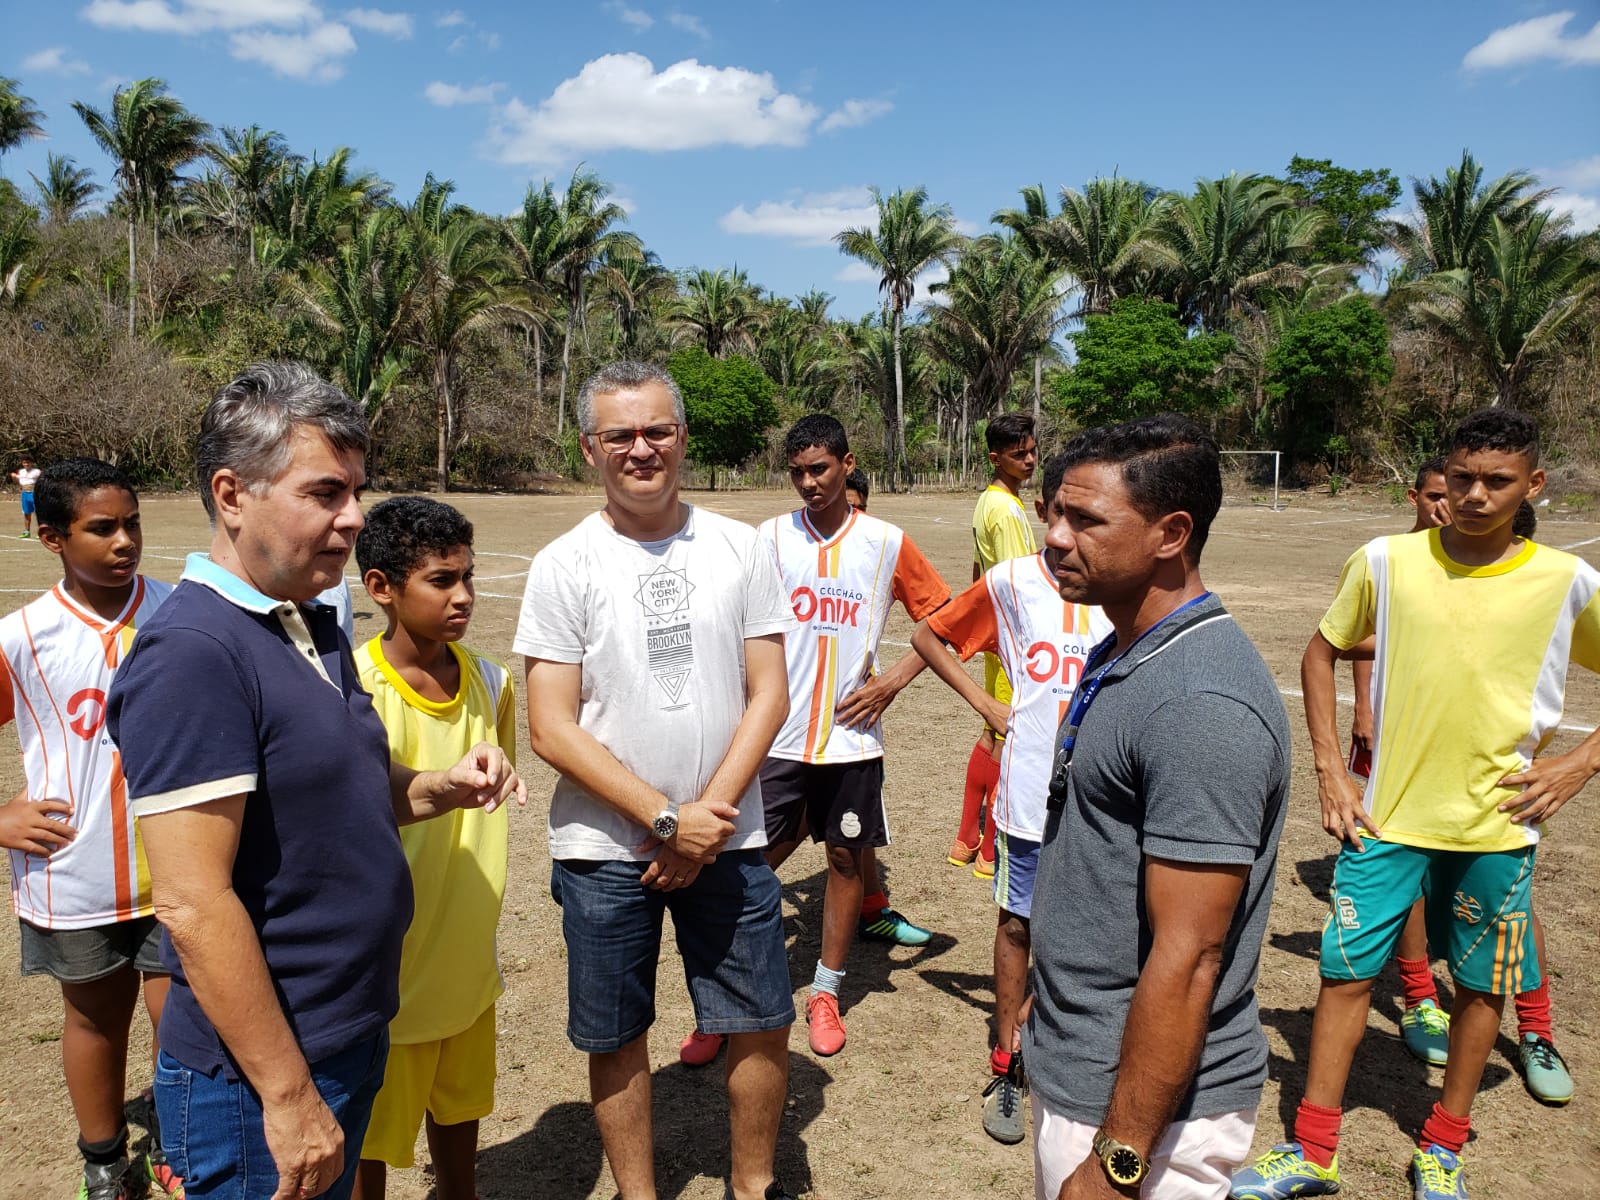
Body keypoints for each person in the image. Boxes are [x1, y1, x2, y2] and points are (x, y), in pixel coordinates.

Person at [106, 362, 523, 1200]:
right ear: (232, 494)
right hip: (257, 1079)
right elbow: (192, 902)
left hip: (350, 1028)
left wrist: (440, 785)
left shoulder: (310, 618)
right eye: (325, 492)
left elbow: (349, 792)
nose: (354, 518)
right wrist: (288, 1094)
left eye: (356, 491)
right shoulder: (195, 653)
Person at [1230, 408, 1600, 1200]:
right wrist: (1332, 769)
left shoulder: (1567, 582)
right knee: (1343, 976)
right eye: (1461, 477)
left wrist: (1579, 763)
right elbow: (1323, 649)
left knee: (1481, 991)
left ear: (1532, 485)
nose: (1473, 495)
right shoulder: (1385, 562)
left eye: (1497, 481)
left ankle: (1443, 1147)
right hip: (1385, 819)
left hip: (1498, 827)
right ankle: (1314, 1150)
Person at [516, 360, 798, 1200]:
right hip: (604, 849)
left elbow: (769, 693)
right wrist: (665, 820)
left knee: (759, 1023)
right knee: (616, 1033)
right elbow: (551, 726)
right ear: (589, 448)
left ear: (682, 437)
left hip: (732, 840)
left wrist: (704, 820)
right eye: (620, 435)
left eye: (657, 431)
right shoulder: (564, 565)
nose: (641, 449)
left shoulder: (740, 548)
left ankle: (751, 1185)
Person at [1027, 414, 1290, 1200]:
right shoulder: (1126, 648)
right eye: (1053, 512)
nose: (1054, 537)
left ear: (1171, 533)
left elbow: (1192, 955)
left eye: (1085, 520)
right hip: (1087, 1063)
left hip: (1146, 1115)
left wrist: (1118, 1163)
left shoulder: (1199, 703)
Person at [912, 449, 1112, 1146]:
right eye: (1059, 512)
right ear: (1042, 513)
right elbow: (932, 633)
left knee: (1105, 933)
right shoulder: (1013, 582)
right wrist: (988, 708)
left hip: (1109, 803)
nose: (1069, 531)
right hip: (1029, 793)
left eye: (1087, 517)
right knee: (1017, 925)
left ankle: (1092, 1060)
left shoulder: (1126, 584)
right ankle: (1007, 1062)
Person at [1351, 468, 1567, 1102]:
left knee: (1509, 908)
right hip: (1399, 755)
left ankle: (1537, 1027)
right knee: (1408, 880)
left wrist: (1577, 762)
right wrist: (1363, 714)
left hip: (1488, 786)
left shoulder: (1520, 562)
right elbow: (1350, 641)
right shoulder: (1392, 563)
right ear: (1418, 498)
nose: (1458, 502)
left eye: (1474, 488)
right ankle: (1419, 997)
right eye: (1441, 492)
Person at [0, 459, 184, 1200]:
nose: (123, 541)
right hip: (72, 870)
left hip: (182, 866)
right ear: (51, 536)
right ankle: (105, 1160)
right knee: (95, 1020)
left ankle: (180, 1139)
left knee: (185, 1018)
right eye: (101, 528)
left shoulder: (180, 612)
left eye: (132, 523)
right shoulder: (22, 637)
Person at [753, 413, 950, 1058]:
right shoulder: (769, 539)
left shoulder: (887, 541)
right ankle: (733, 991)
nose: (809, 483)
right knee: (752, 863)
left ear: (846, 463)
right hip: (777, 735)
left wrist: (892, 681)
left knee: (844, 860)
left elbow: (946, 617)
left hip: (851, 740)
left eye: (820, 469)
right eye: (798, 472)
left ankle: (826, 991)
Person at [351, 497, 515, 1200]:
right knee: (366, 1150)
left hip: (466, 965)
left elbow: (499, 781)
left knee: (460, 1117)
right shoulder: (352, 691)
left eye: (468, 577)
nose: (464, 597)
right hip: (386, 979)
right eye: (441, 580)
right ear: (382, 588)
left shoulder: (491, 681)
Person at [953, 412, 1038, 877]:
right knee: (1008, 736)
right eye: (1017, 453)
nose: (1028, 459)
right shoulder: (1005, 510)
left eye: (1031, 450)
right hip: (1013, 635)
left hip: (997, 632)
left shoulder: (990, 501)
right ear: (994, 457)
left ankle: (967, 838)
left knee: (994, 732)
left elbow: (977, 570)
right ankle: (989, 851)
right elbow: (1016, 580)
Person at [11, 454, 41, 538]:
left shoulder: (36, 471)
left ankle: (40, 532)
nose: (26, 464)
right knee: (26, 513)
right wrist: (14, 477)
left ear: (31, 463)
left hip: (34, 493)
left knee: (38, 513)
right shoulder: (21, 472)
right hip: (25, 493)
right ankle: (27, 532)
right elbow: (18, 481)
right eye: (24, 463)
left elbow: (42, 480)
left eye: (28, 462)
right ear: (22, 463)